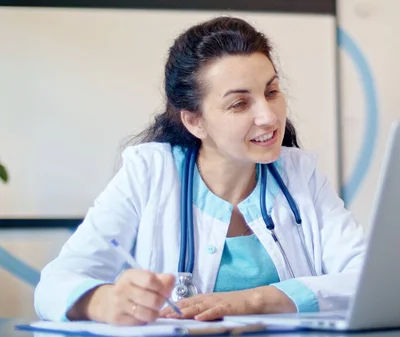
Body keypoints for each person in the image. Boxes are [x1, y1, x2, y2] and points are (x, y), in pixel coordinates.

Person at [34, 16, 366, 326]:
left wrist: (253, 301)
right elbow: (54, 284)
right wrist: (103, 301)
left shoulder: (300, 175)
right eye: (239, 103)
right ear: (194, 120)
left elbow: (368, 277)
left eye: (271, 92)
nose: (269, 116)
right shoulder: (149, 174)